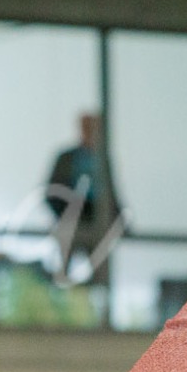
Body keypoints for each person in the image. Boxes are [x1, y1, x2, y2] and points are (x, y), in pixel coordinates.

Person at [45, 112, 121, 279]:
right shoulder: (66, 158)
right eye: (87, 127)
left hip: (96, 219)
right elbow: (52, 191)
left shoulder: (102, 158)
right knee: (63, 270)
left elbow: (111, 191)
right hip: (71, 217)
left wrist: (118, 218)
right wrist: (63, 214)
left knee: (101, 273)